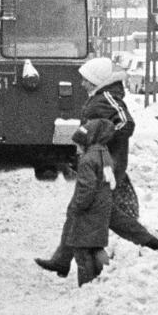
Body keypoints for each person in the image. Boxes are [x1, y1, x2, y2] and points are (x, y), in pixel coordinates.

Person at [36, 57, 158, 276]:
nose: (83, 84)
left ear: (97, 81)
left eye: (86, 80)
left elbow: (126, 123)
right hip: (101, 164)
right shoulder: (103, 97)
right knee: (98, 211)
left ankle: (148, 242)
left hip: (103, 166)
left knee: (83, 209)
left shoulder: (107, 98)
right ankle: (63, 260)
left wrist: (101, 139)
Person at [59, 119, 116, 286]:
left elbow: (87, 189)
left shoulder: (87, 160)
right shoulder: (104, 154)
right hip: (101, 209)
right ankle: (107, 278)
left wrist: (76, 207)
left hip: (87, 214)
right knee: (96, 248)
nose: (76, 149)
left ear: (86, 142)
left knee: (82, 252)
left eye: (78, 145)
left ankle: (86, 285)